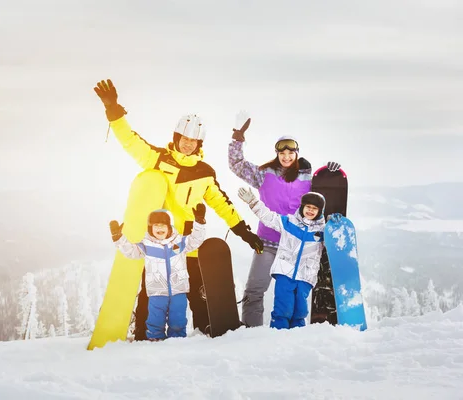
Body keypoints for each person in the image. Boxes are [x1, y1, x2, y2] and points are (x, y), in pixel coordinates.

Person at [94, 79, 263, 339]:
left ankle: (203, 334)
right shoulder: (159, 159)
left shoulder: (205, 173)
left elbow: (222, 204)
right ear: (176, 138)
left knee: (196, 292)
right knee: (152, 290)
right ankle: (142, 333)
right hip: (158, 242)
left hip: (188, 244)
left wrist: (244, 232)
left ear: (199, 144)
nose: (187, 144)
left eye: (193, 140)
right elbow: (130, 140)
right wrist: (113, 110)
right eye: (184, 138)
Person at [228, 111, 341, 327]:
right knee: (254, 290)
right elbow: (237, 165)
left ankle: (291, 337)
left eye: (291, 152)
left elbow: (323, 198)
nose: (287, 157)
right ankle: (252, 333)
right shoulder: (264, 174)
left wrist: (331, 173)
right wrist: (237, 137)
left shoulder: (308, 178)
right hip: (268, 243)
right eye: (283, 152)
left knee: (294, 297)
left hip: (296, 247)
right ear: (277, 153)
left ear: (297, 154)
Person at [109, 205, 206, 340]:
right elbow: (131, 251)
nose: (159, 228)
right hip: (156, 291)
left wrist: (199, 223)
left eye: (163, 225)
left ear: (170, 227)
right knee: (155, 319)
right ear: (150, 228)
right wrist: (118, 238)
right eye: (156, 225)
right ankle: (155, 339)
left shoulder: (180, 242)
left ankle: (177, 340)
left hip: (178, 290)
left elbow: (195, 240)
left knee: (178, 318)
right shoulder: (146, 245)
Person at [237, 188, 328, 329]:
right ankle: (278, 333)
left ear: (320, 211)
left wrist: (335, 225)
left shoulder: (322, 231)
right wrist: (253, 202)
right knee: (283, 307)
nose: (310, 210)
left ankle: (298, 336)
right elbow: (269, 217)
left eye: (315, 208)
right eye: (308, 207)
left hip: (305, 276)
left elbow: (331, 242)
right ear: (302, 207)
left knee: (300, 311)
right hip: (285, 273)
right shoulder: (289, 222)